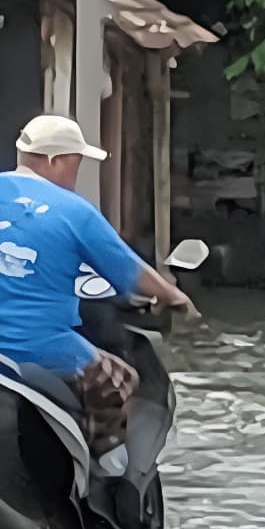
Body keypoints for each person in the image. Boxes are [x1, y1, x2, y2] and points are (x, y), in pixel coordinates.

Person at [0, 115, 195, 454]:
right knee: (123, 380)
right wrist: (176, 298)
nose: (75, 177)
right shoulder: (75, 211)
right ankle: (109, 473)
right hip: (39, 346)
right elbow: (132, 273)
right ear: (54, 160)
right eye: (75, 165)